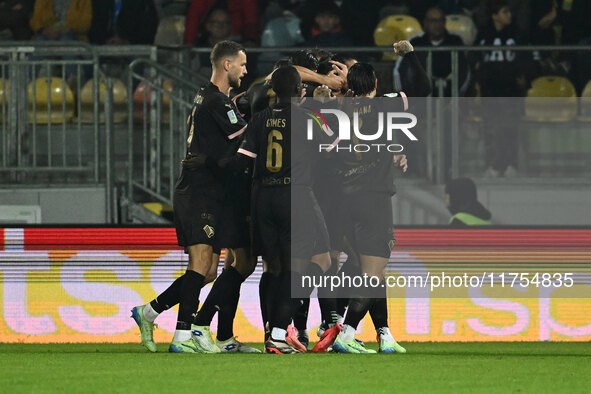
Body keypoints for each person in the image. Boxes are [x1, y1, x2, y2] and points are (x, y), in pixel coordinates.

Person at [131, 40, 251, 353]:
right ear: (227, 65)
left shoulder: (205, 94)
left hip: (210, 190)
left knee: (209, 271)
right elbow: (248, 137)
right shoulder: (216, 101)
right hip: (199, 190)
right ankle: (183, 336)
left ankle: (149, 312)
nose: (245, 70)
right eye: (242, 64)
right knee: (200, 263)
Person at [329, 41, 429, 354]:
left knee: (368, 268)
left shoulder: (334, 109)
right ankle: (346, 333)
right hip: (373, 198)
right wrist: (410, 55)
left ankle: (383, 333)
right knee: (372, 272)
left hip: (341, 200)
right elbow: (423, 89)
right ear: (375, 84)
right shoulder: (385, 105)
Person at [475, 0, 531, 177]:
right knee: (490, 130)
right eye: (504, 12)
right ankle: (493, 165)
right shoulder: (484, 35)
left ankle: (510, 165)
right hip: (490, 90)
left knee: (509, 129)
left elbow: (526, 57)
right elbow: (474, 57)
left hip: (510, 91)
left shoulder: (516, 34)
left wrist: (524, 77)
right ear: (494, 16)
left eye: (509, 12)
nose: (509, 15)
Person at [394, 7, 469, 97]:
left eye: (440, 20)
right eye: (432, 21)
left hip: (450, 97)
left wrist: (457, 97)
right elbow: (399, 70)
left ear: (444, 22)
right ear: (425, 23)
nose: (436, 25)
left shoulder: (456, 41)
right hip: (420, 99)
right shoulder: (415, 42)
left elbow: (465, 71)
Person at [183, 0, 259, 46]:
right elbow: (195, 15)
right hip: (207, 38)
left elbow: (250, 17)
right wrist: (189, 42)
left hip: (237, 35)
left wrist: (250, 39)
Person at [88, 0, 159, 45]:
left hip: (134, 48)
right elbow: (94, 27)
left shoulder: (142, 2)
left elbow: (149, 28)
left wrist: (128, 41)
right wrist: (104, 42)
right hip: (103, 48)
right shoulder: (99, 2)